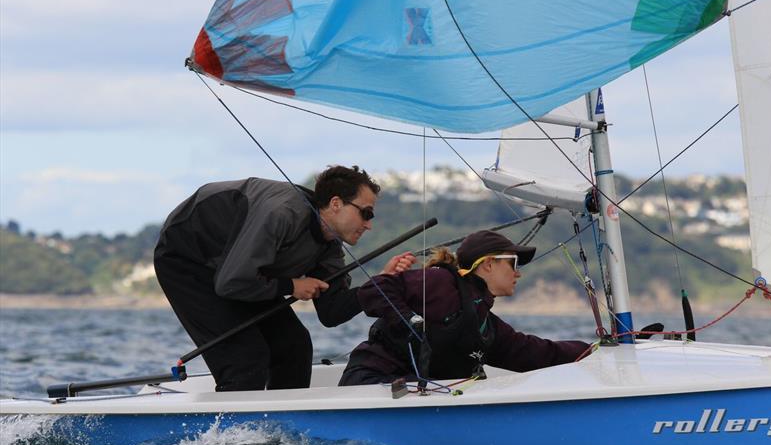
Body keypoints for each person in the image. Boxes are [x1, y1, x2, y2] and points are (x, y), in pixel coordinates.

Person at [154, 165, 415, 392]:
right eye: (366, 213)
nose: (369, 225)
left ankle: (282, 432)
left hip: (243, 275)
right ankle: (233, 440)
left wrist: (381, 281)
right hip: (187, 259)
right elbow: (231, 282)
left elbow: (331, 312)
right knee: (246, 358)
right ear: (336, 204)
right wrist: (291, 285)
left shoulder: (329, 247)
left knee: (294, 346)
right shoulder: (282, 213)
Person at [339, 230, 589, 386]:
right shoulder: (439, 281)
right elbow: (375, 288)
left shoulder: (487, 327)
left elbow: (535, 353)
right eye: (513, 263)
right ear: (488, 264)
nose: (518, 273)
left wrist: (591, 351)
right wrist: (408, 319)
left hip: (412, 391)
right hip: (371, 382)